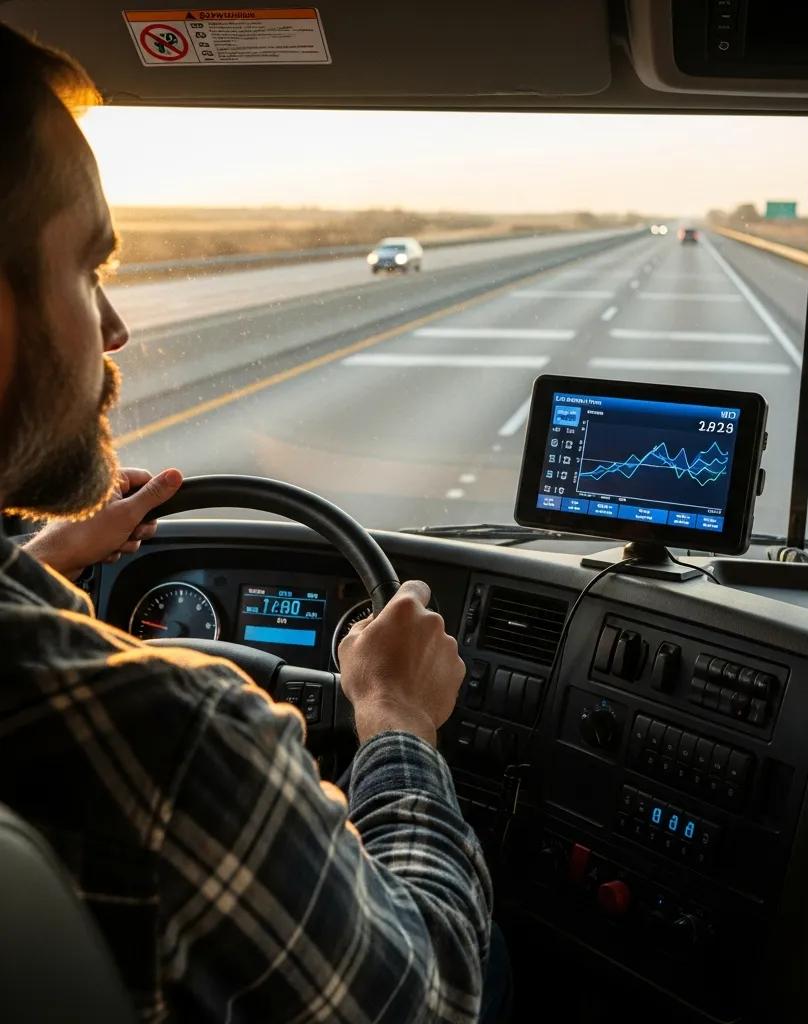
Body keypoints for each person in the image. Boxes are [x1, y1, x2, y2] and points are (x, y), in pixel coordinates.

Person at [0, 22, 502, 1023]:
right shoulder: (172, 742)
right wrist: (397, 721)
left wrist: (36, 566)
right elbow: (430, 993)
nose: (114, 329)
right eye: (89, 266)